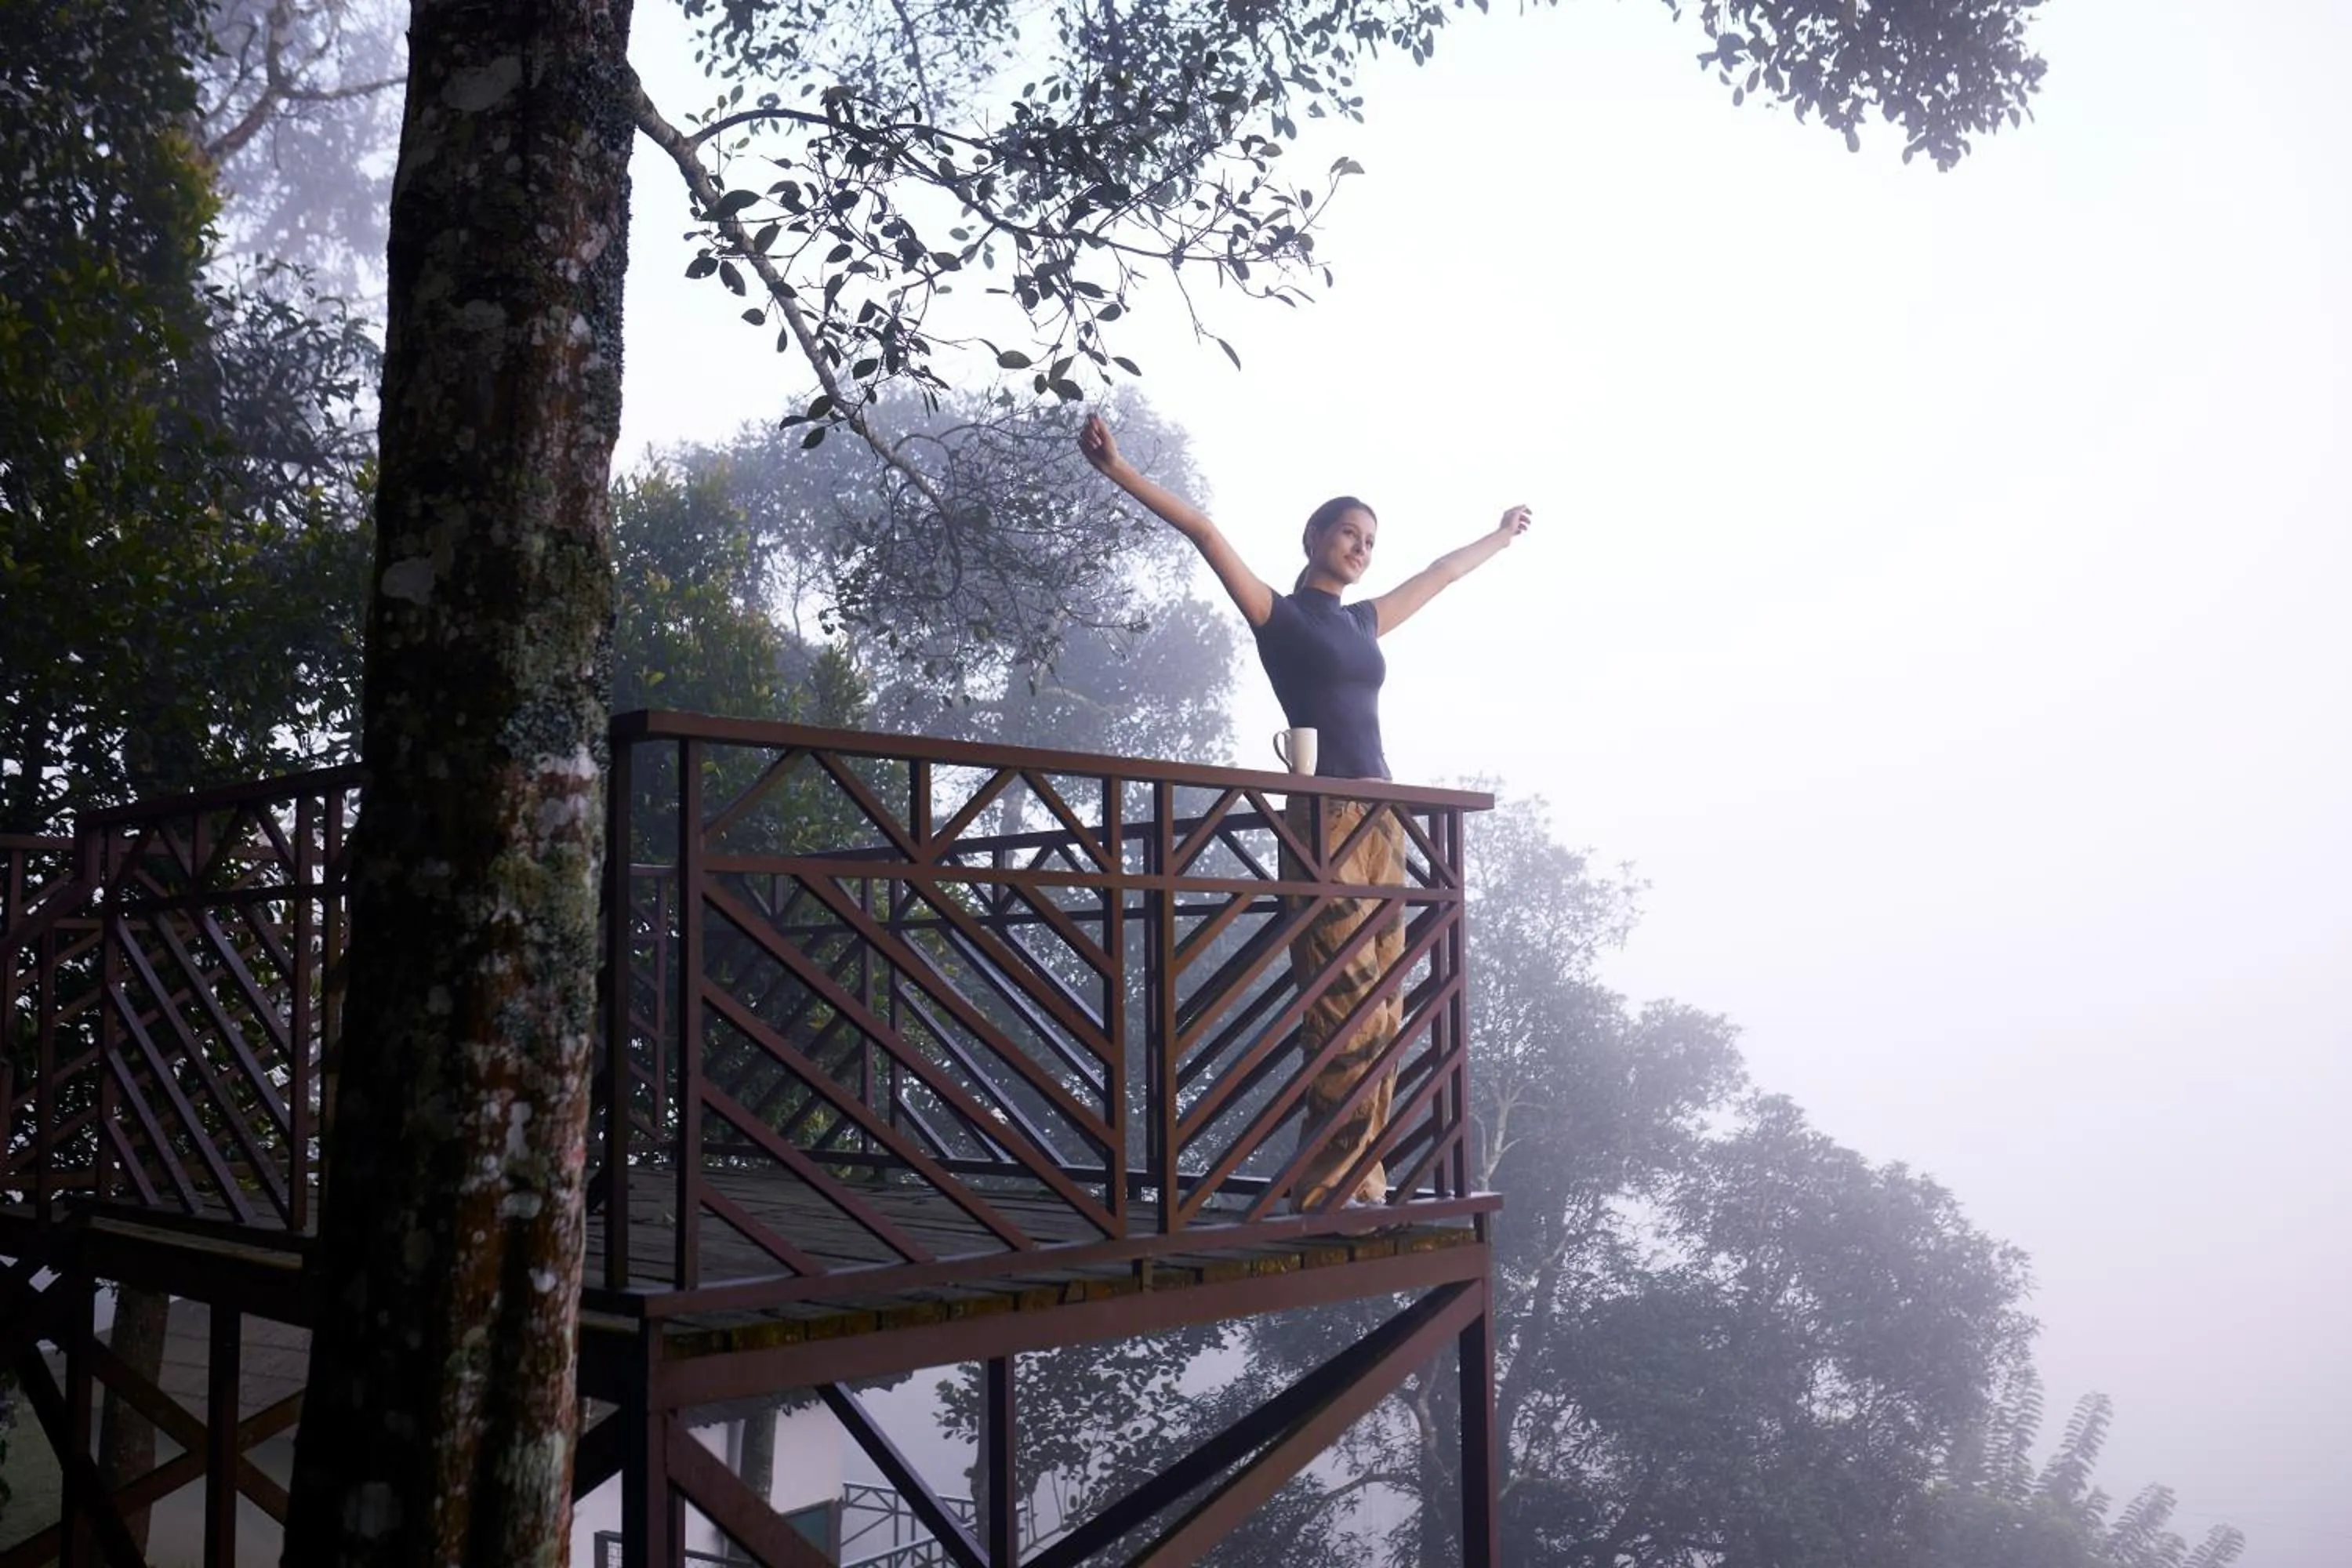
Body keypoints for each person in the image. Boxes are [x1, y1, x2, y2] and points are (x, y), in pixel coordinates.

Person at [1079, 412, 1531, 1209]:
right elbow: (1205, 532)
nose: (1361, 547)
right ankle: (1328, 1180)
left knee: (1384, 997)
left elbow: (1441, 572)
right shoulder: (1280, 618)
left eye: (1369, 540)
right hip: (1322, 818)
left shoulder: (1364, 620)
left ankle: (1364, 1175)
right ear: (1314, 536)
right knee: (1340, 992)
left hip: (1383, 815)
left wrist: (1500, 536)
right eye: (1349, 533)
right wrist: (1117, 469)